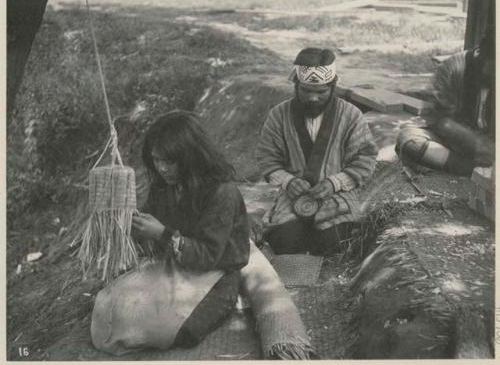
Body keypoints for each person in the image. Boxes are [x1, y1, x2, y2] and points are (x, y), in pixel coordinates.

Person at [91, 110, 250, 355]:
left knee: (179, 330)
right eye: (157, 160)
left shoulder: (222, 193)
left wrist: (162, 234)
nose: (163, 169)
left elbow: (207, 255)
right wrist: (130, 226)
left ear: (192, 157)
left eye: (170, 161)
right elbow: (149, 230)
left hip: (216, 274)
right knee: (109, 307)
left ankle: (230, 302)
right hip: (176, 267)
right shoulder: (164, 187)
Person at [256, 47, 378, 256]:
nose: (313, 98)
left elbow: (364, 158)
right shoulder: (278, 115)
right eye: (306, 91)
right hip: (293, 197)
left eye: (321, 92)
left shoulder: (351, 115)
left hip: (337, 196)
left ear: (332, 87)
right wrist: (288, 182)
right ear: (296, 85)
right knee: (284, 241)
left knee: (334, 243)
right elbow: (267, 158)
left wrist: (334, 183)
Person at [395, 31, 495, 176]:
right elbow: (439, 120)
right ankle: (473, 171)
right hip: (456, 142)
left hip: (491, 145)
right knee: (409, 140)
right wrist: (475, 143)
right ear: (482, 56)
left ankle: (483, 169)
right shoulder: (452, 67)